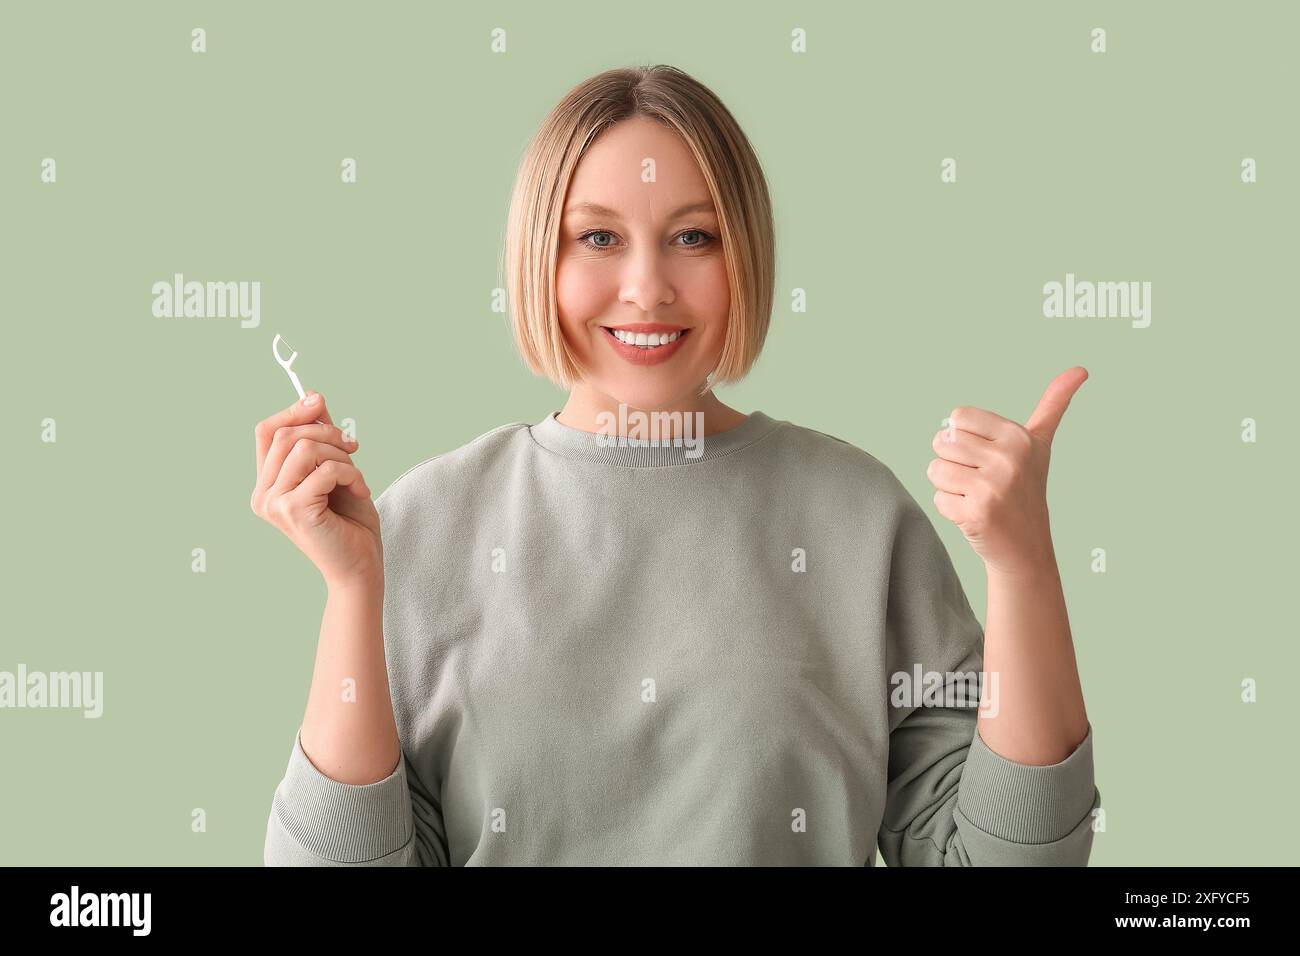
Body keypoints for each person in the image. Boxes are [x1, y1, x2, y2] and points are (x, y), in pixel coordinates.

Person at [253, 64, 1099, 866]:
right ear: (537, 259)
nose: (648, 286)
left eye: (693, 236)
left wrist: (1024, 564)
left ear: (746, 257)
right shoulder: (422, 524)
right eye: (598, 238)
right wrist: (354, 590)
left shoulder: (861, 518)